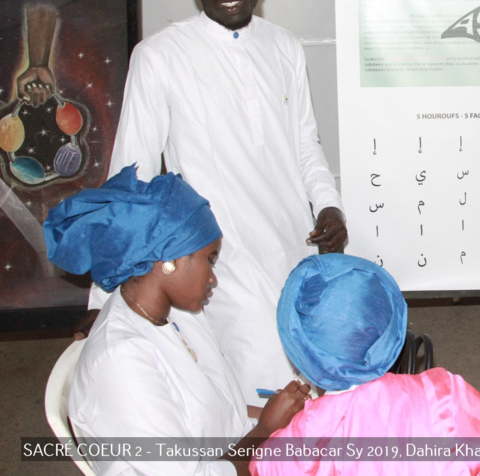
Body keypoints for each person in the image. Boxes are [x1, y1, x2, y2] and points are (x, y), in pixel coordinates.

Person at [90, 0, 348, 405]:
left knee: (316, 392)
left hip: (296, 247)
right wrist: (104, 300)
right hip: (221, 264)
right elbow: (131, 176)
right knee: (265, 396)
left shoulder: (284, 47)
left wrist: (329, 206)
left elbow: (305, 144)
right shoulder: (160, 56)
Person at [44, 165, 311, 476]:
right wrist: (265, 428)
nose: (213, 279)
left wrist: (279, 416)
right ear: (168, 259)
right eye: (209, 260)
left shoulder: (179, 315)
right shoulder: (122, 360)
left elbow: (221, 414)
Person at [250, 254, 480, 476]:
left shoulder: (297, 444)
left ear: (299, 351)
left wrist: (266, 429)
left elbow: (259, 467)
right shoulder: (446, 397)